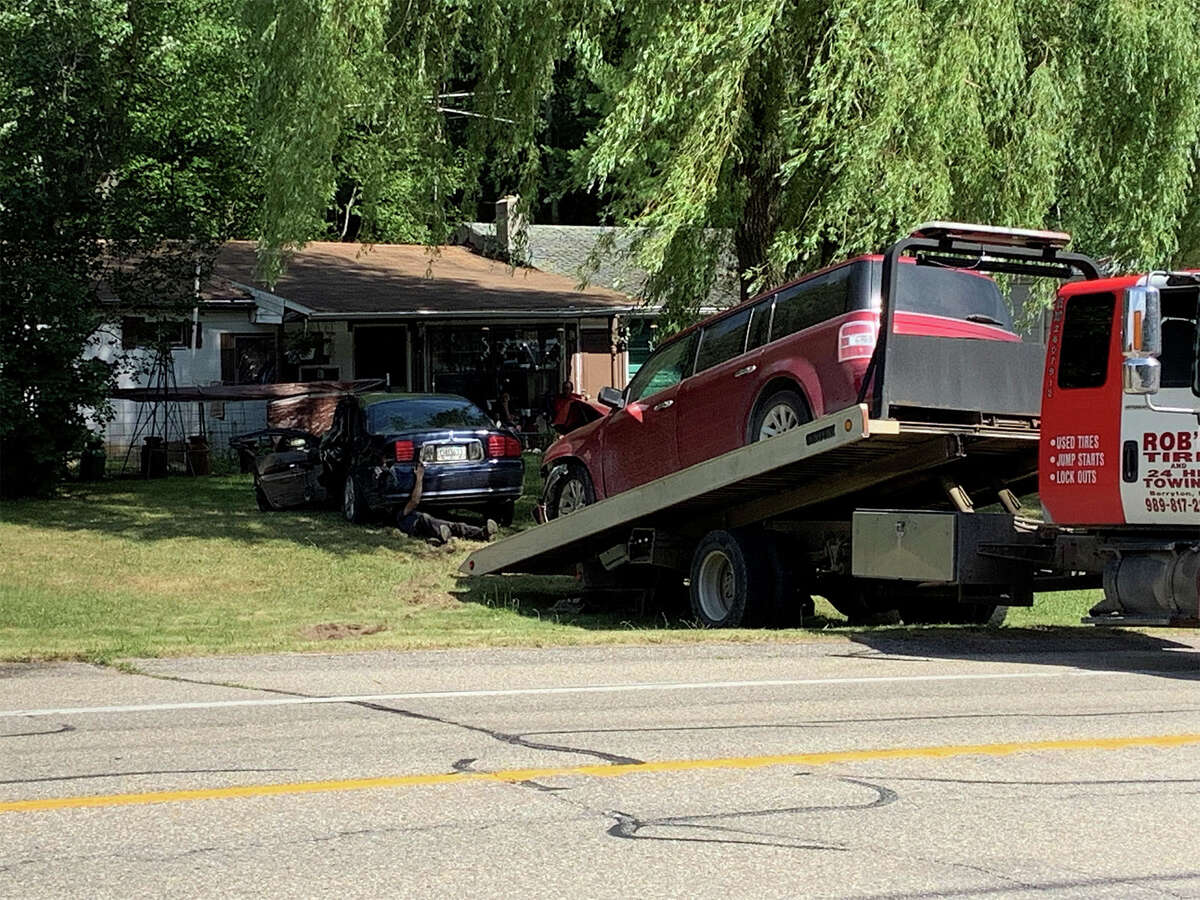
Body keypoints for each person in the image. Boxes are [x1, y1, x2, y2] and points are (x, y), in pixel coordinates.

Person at [397, 461, 498, 545]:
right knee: (445, 524)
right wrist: (419, 477)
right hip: (421, 525)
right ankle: (479, 534)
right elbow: (415, 501)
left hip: (426, 525)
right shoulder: (400, 515)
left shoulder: (401, 515)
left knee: (453, 525)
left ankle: (481, 534)